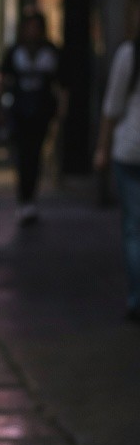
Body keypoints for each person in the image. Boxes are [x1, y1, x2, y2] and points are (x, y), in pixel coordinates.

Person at [0, 10, 66, 225]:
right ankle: (24, 198)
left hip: (41, 112)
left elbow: (62, 84)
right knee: (22, 155)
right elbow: (3, 79)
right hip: (19, 112)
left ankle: (29, 199)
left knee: (35, 155)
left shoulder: (51, 52)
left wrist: (60, 111)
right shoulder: (15, 52)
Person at [93, 22, 140, 323]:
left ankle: (137, 298)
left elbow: (112, 106)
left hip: (130, 148)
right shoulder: (129, 53)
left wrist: (102, 147)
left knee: (134, 229)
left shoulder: (129, 53)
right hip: (130, 150)